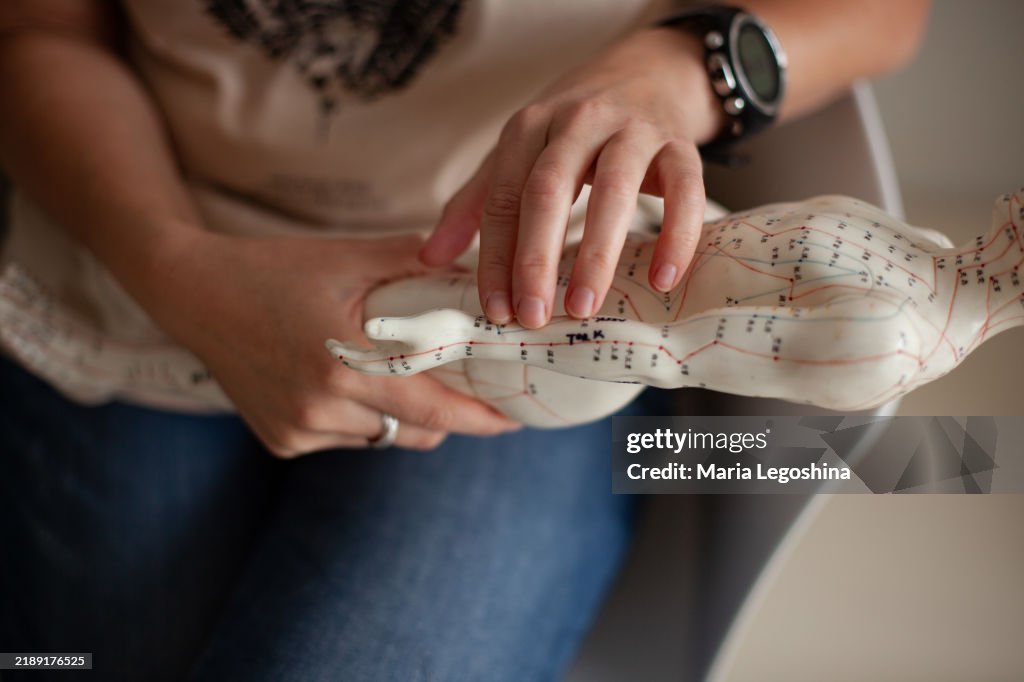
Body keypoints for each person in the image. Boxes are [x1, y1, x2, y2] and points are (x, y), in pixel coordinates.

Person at [0, 1, 928, 680]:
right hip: (128, 257)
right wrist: (179, 270)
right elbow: (41, 32)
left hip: (544, 309)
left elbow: (888, 13)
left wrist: (682, 70)